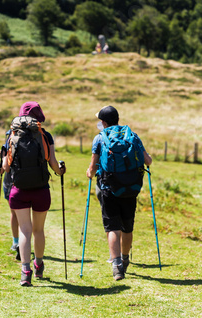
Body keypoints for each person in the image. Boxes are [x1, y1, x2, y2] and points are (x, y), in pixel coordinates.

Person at [2, 101, 66, 287]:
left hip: (19, 189)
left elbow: (6, 167)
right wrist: (61, 171)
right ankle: (38, 265)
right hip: (41, 189)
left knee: (25, 230)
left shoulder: (12, 134)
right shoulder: (45, 135)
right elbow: (53, 162)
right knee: (38, 230)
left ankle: (25, 271)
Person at [86, 105, 152, 281]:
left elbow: (93, 167)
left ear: (103, 122)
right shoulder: (132, 136)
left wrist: (89, 173)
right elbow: (148, 161)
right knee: (127, 226)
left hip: (109, 188)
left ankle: (116, 266)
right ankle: (125, 259)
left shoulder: (100, 138)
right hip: (131, 188)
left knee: (113, 227)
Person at [0, 131, 20, 261]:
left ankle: (16, 242)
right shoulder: (32, 140)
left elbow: (3, 169)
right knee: (24, 214)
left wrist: (2, 158)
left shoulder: (8, 143)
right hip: (26, 183)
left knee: (14, 213)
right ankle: (22, 242)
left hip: (9, 183)